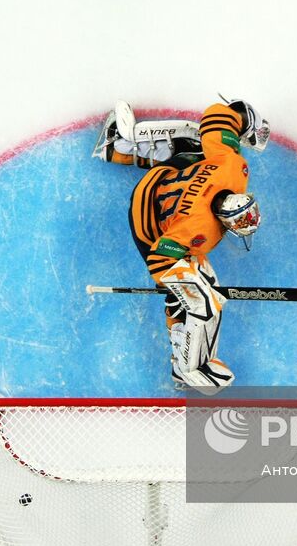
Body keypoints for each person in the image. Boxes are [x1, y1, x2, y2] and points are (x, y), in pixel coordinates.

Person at [91, 99, 268, 393]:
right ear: (226, 222)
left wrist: (240, 117)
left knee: (196, 145)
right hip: (148, 221)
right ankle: (187, 368)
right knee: (204, 304)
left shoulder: (232, 166)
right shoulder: (198, 229)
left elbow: (214, 119)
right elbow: (160, 258)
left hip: (168, 181)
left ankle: (121, 148)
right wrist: (185, 290)